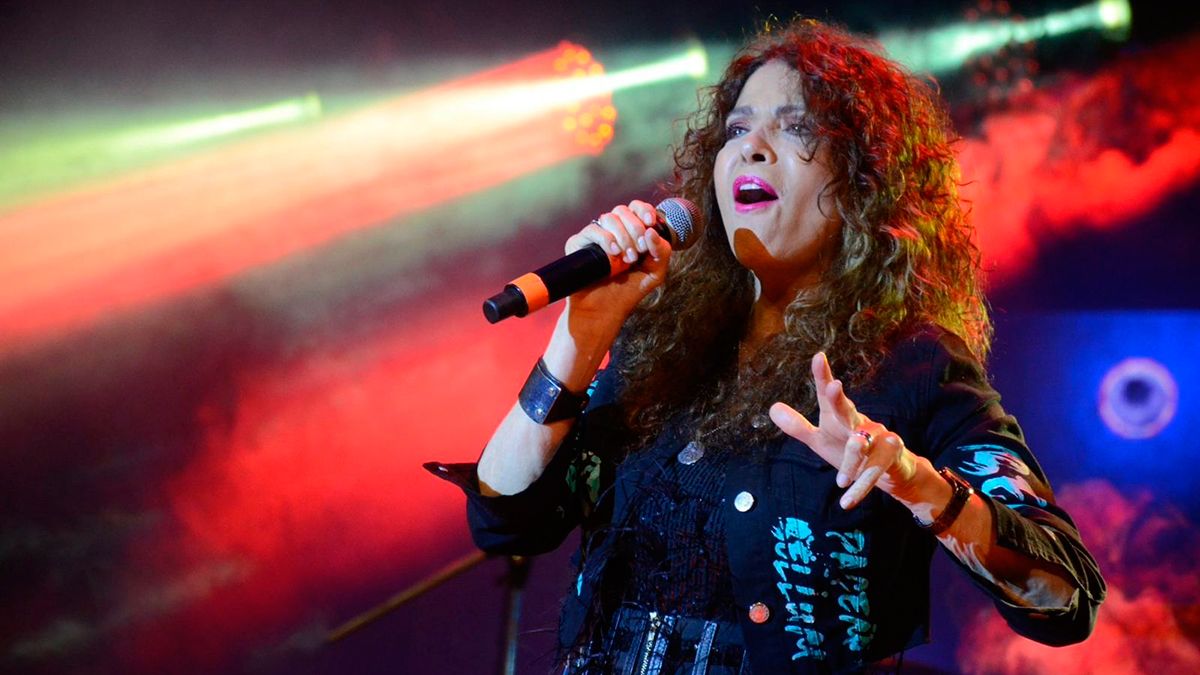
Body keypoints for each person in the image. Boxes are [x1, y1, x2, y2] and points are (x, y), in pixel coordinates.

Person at [428, 18, 1106, 674]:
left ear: (864, 181)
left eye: (797, 127)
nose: (751, 147)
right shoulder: (662, 342)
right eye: (737, 128)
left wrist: (917, 484)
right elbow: (506, 520)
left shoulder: (912, 363)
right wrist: (578, 337)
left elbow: (1065, 596)